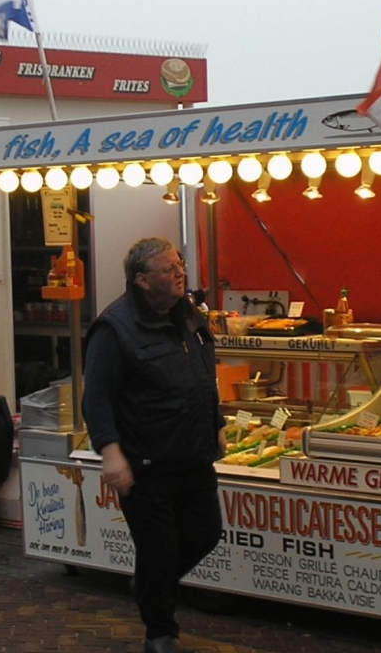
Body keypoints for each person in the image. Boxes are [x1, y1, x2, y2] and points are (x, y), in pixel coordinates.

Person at [82, 237, 225, 653]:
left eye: (179, 265)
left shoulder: (191, 317)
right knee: (158, 548)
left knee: (206, 533)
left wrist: (214, 424)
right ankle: (160, 633)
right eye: (168, 269)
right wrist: (111, 452)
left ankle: (149, 583)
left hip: (195, 456)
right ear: (143, 280)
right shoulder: (114, 328)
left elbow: (204, 375)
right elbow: (97, 398)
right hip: (145, 464)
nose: (179, 273)